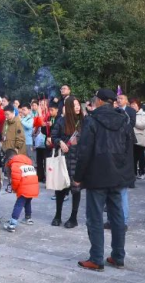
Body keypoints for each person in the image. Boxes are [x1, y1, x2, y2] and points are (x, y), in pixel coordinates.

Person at [75, 89, 135, 271]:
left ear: (99, 101)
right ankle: (118, 256)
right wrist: (127, 176)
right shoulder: (124, 120)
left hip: (97, 175)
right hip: (117, 175)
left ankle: (96, 258)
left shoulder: (92, 120)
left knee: (95, 218)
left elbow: (84, 151)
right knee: (117, 218)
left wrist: (78, 177)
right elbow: (129, 149)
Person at [51, 96, 83, 228]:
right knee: (60, 189)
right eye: (74, 105)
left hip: (77, 159)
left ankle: (73, 218)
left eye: (78, 105)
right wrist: (60, 142)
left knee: (76, 189)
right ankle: (57, 215)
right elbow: (53, 136)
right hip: (63, 159)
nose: (77, 107)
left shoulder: (84, 122)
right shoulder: (61, 121)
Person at [3, 148, 39, 231]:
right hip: (33, 186)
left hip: (25, 187)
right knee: (27, 201)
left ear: (9, 158)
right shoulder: (27, 162)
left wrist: (14, 189)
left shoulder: (15, 164)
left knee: (19, 204)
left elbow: (16, 180)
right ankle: (28, 218)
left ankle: (12, 224)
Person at [132, 98, 145, 179]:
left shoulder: (143, 113)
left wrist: (132, 120)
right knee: (133, 157)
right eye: (131, 104)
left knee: (140, 156)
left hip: (140, 138)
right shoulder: (129, 113)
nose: (132, 106)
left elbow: (143, 125)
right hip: (132, 137)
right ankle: (134, 173)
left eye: (134, 104)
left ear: (138, 105)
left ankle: (142, 172)